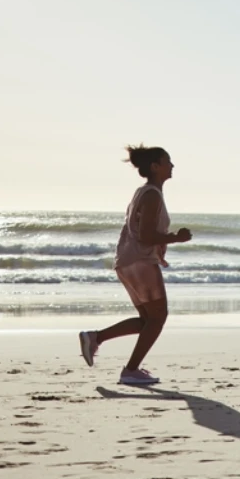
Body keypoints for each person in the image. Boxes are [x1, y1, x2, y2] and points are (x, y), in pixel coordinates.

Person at [78, 145, 192, 385]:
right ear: (155, 166)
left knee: (147, 321)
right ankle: (130, 370)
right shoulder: (151, 194)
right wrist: (176, 238)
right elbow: (147, 236)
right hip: (139, 261)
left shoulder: (144, 193)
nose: (172, 166)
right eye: (167, 161)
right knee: (158, 318)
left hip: (127, 261)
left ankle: (95, 338)